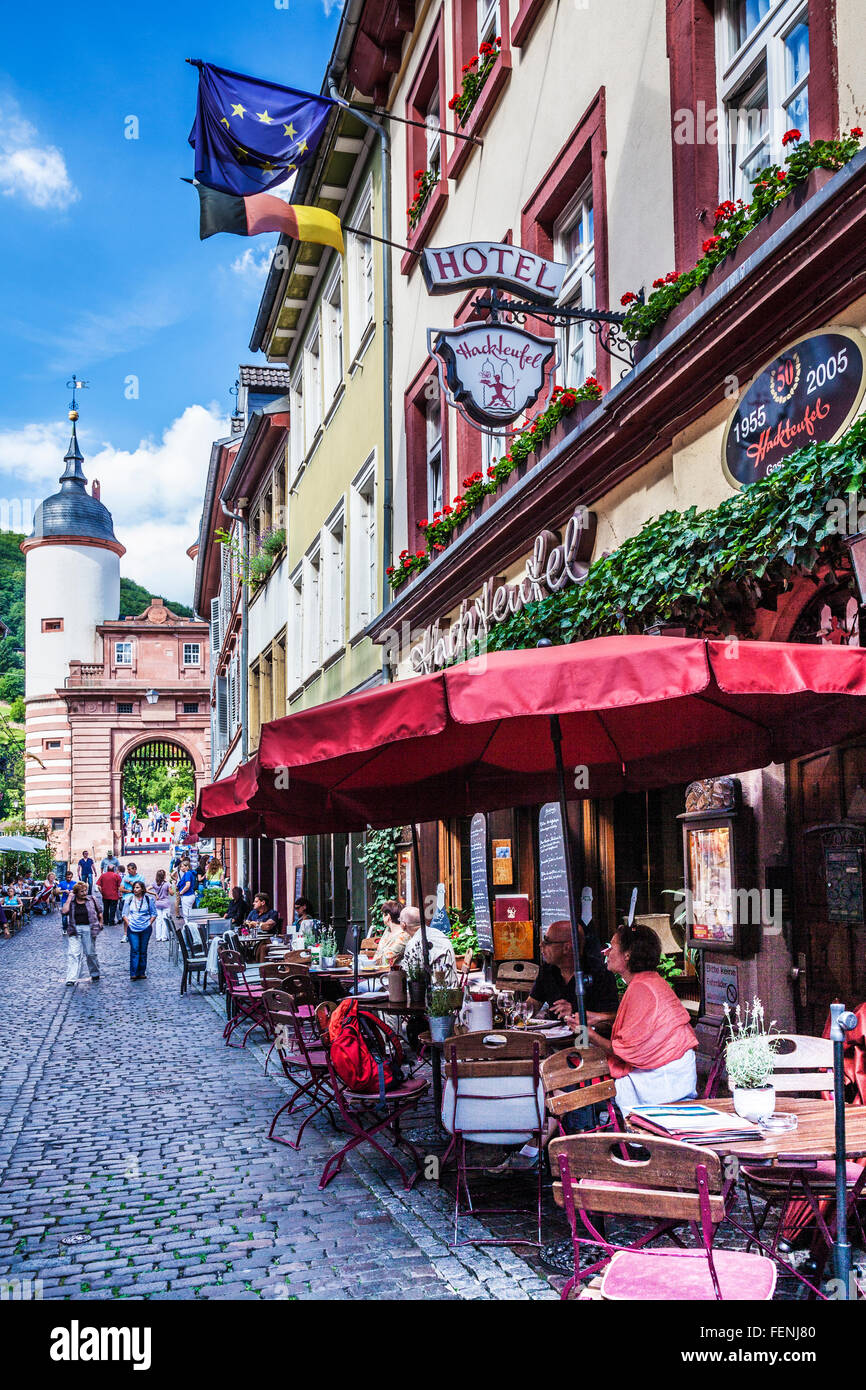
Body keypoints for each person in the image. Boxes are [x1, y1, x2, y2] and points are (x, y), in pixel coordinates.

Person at [577, 923, 698, 1116]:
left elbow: (626, 1052)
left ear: (628, 955)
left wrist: (589, 1035)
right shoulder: (648, 981)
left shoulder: (641, 988)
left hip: (663, 1081)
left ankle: (589, 1134)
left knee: (576, 1080)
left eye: (612, 946)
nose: (605, 952)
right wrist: (597, 1019)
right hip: (674, 1071)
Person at [528, 919, 619, 1026]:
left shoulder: (599, 973)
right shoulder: (548, 969)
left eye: (547, 942)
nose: (541, 945)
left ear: (567, 947)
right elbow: (532, 1005)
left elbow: (613, 1018)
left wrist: (576, 1013)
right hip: (552, 1038)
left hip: (587, 1039)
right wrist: (512, 1011)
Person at [397, 905, 457, 981]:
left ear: (403, 925)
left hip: (435, 990)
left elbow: (412, 976)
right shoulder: (438, 933)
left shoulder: (414, 943)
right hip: (452, 986)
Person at [63, 881, 103, 985]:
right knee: (73, 954)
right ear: (76, 892)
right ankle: (71, 978)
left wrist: (100, 923)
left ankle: (95, 973)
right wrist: (68, 898)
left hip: (89, 929)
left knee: (90, 953)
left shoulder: (91, 899)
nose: (84, 893)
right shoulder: (71, 901)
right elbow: (64, 911)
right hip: (74, 929)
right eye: (82, 891)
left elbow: (99, 911)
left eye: (85, 890)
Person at [122, 880, 157, 981]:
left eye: (137, 887)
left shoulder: (148, 899)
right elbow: (124, 914)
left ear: (142, 889)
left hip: (145, 928)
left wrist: (148, 923)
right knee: (135, 949)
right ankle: (133, 972)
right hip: (133, 928)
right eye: (134, 887)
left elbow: (154, 913)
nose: (135, 889)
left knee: (143, 950)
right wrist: (129, 924)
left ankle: (142, 972)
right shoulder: (129, 899)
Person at [151, 869, 173, 942]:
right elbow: (172, 893)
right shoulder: (167, 884)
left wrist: (155, 894)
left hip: (158, 904)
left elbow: (146, 889)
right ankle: (164, 937)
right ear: (164, 876)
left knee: (158, 920)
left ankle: (158, 936)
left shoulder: (154, 883)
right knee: (165, 920)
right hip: (166, 904)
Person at [175, 857, 198, 922]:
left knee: (186, 915)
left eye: (182, 867)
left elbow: (187, 885)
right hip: (190, 895)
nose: (181, 868)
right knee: (189, 913)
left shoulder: (187, 873)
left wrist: (181, 892)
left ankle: (189, 928)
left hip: (187, 895)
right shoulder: (190, 873)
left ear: (187, 866)